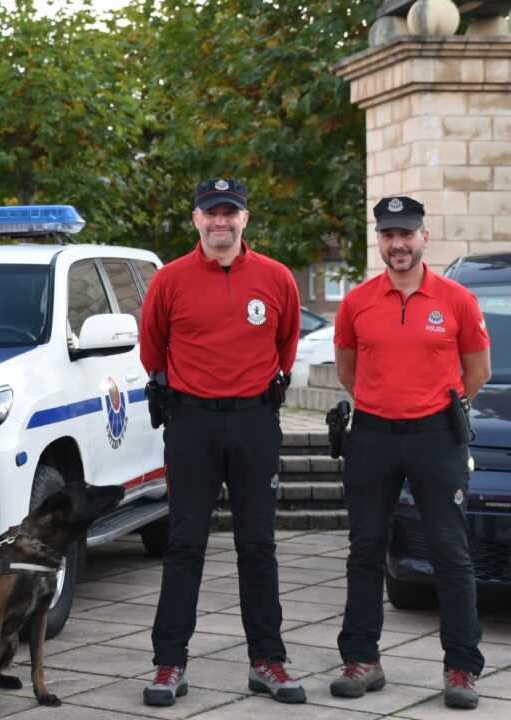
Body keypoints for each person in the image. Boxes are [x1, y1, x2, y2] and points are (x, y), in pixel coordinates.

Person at [139, 179, 304, 707]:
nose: (221, 222)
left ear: (245, 219)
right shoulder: (170, 280)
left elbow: (286, 347)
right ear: (196, 219)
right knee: (184, 544)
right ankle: (169, 664)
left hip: (255, 420)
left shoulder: (277, 279)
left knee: (258, 544)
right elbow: (153, 350)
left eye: (230, 213)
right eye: (212, 213)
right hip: (192, 423)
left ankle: (268, 662)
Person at [330, 196, 490, 710]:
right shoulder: (356, 302)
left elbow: (478, 373)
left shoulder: (458, 299)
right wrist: (384, 403)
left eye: (406, 234)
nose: (397, 244)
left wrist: (427, 407)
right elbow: (348, 370)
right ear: (379, 240)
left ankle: (461, 668)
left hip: (436, 436)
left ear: (424, 238)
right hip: (372, 435)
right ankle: (362, 662)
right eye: (388, 235)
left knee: (450, 551)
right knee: (364, 548)